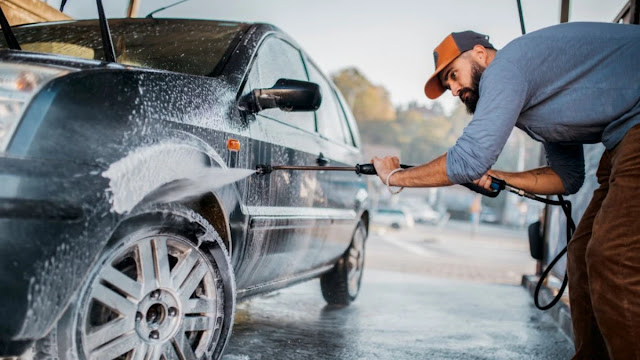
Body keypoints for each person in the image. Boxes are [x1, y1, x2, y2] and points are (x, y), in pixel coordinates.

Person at [371, 23, 640, 359]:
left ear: (480, 54)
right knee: (582, 253)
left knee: (613, 256)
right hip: (623, 137)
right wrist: (499, 175)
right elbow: (567, 177)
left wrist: (394, 176)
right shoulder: (534, 100)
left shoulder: (506, 68)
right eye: (448, 85)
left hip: (635, 130)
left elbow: (469, 158)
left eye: (454, 75)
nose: (453, 91)